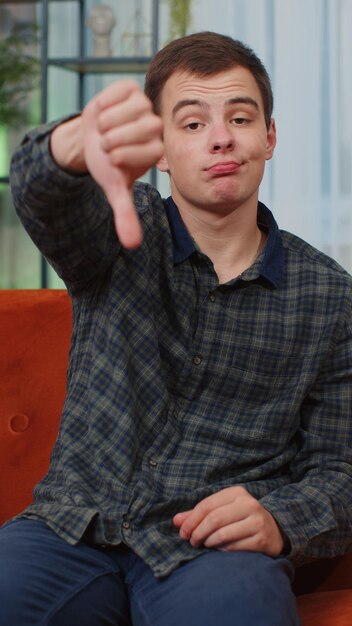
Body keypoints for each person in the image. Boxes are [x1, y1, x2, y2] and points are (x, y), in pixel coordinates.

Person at [1, 31, 352, 626]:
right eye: (191, 124)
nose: (220, 137)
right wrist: (70, 146)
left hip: (214, 553)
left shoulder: (331, 297)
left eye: (240, 117)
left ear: (269, 139)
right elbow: (47, 199)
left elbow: (340, 472)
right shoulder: (119, 228)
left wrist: (280, 520)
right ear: (161, 148)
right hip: (70, 529)